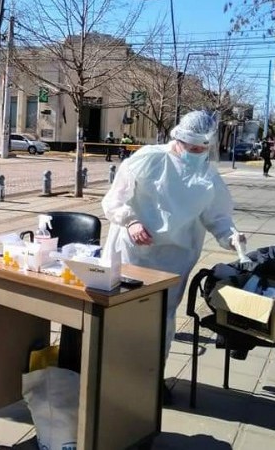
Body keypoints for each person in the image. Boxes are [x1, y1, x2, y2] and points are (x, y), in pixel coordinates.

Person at [101, 111, 243, 405]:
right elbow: (115, 200)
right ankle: (112, 375)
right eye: (192, 148)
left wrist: (230, 236)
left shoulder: (207, 175)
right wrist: (130, 221)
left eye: (203, 149)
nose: (197, 154)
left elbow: (217, 215)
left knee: (161, 320)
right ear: (177, 140)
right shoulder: (149, 159)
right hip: (132, 250)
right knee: (121, 314)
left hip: (174, 258)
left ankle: (152, 379)